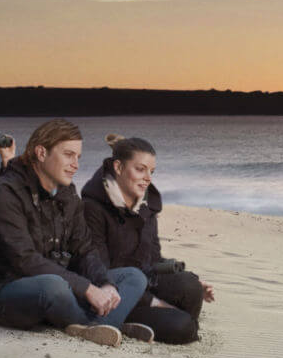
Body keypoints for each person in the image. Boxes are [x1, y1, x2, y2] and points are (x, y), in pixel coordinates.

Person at [0, 118, 149, 347]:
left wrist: (104, 283)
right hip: (2, 289)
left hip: (57, 281)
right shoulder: (4, 192)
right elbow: (25, 261)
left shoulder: (67, 193)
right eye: (68, 155)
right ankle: (106, 323)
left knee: (133, 277)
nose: (76, 164)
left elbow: (84, 249)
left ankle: (96, 325)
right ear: (41, 153)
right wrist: (86, 288)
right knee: (54, 286)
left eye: (78, 157)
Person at [81, 134, 213, 344]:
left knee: (190, 286)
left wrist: (190, 279)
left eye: (151, 171)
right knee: (182, 326)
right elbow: (100, 273)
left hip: (144, 283)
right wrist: (153, 302)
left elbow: (152, 258)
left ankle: (179, 325)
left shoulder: (146, 206)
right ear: (118, 167)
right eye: (140, 169)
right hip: (115, 292)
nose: (148, 178)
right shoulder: (92, 208)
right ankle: (123, 322)